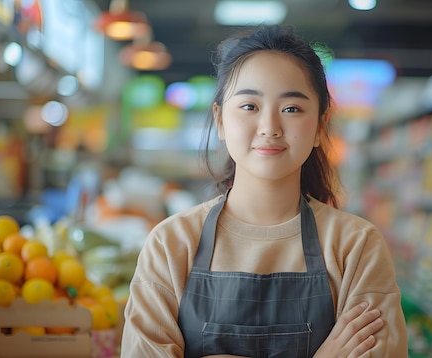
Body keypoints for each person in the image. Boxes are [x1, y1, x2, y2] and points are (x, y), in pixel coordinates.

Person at [121, 24, 408, 357]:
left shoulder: (356, 247)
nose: (270, 127)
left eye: (291, 109)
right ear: (220, 121)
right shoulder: (171, 244)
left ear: (319, 126)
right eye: (249, 107)